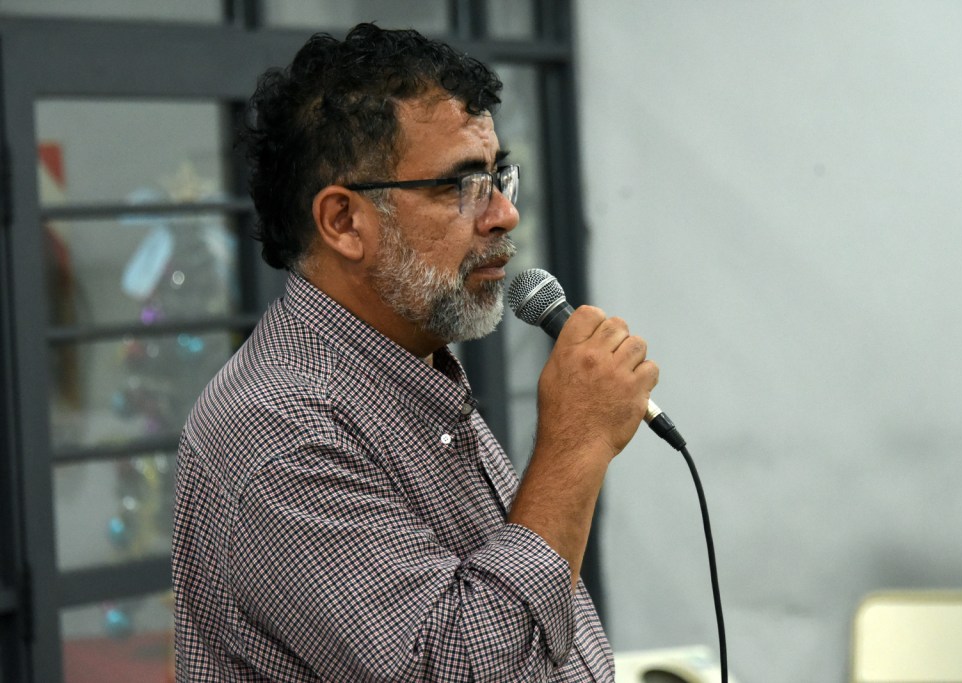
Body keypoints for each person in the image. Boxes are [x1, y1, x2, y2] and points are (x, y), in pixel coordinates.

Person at [172, 23, 658, 682]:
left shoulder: (411, 367)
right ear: (344, 221)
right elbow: (462, 667)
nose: (503, 214)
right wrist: (575, 443)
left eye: (498, 176)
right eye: (461, 185)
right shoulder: (280, 428)